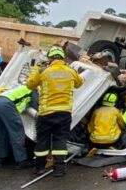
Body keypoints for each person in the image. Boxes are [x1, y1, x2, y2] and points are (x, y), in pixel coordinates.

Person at [26, 46, 83, 177]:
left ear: (50, 58)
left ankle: (39, 168)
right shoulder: (70, 71)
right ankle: (59, 169)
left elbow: (30, 85)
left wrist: (36, 69)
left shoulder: (43, 71)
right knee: (60, 139)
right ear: (62, 58)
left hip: (46, 112)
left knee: (43, 140)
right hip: (64, 112)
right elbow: (79, 84)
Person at [0, 85, 35, 169]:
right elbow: (36, 107)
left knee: (1, 132)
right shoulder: (33, 90)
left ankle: (2, 158)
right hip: (6, 105)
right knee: (17, 133)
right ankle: (22, 161)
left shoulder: (20, 87)